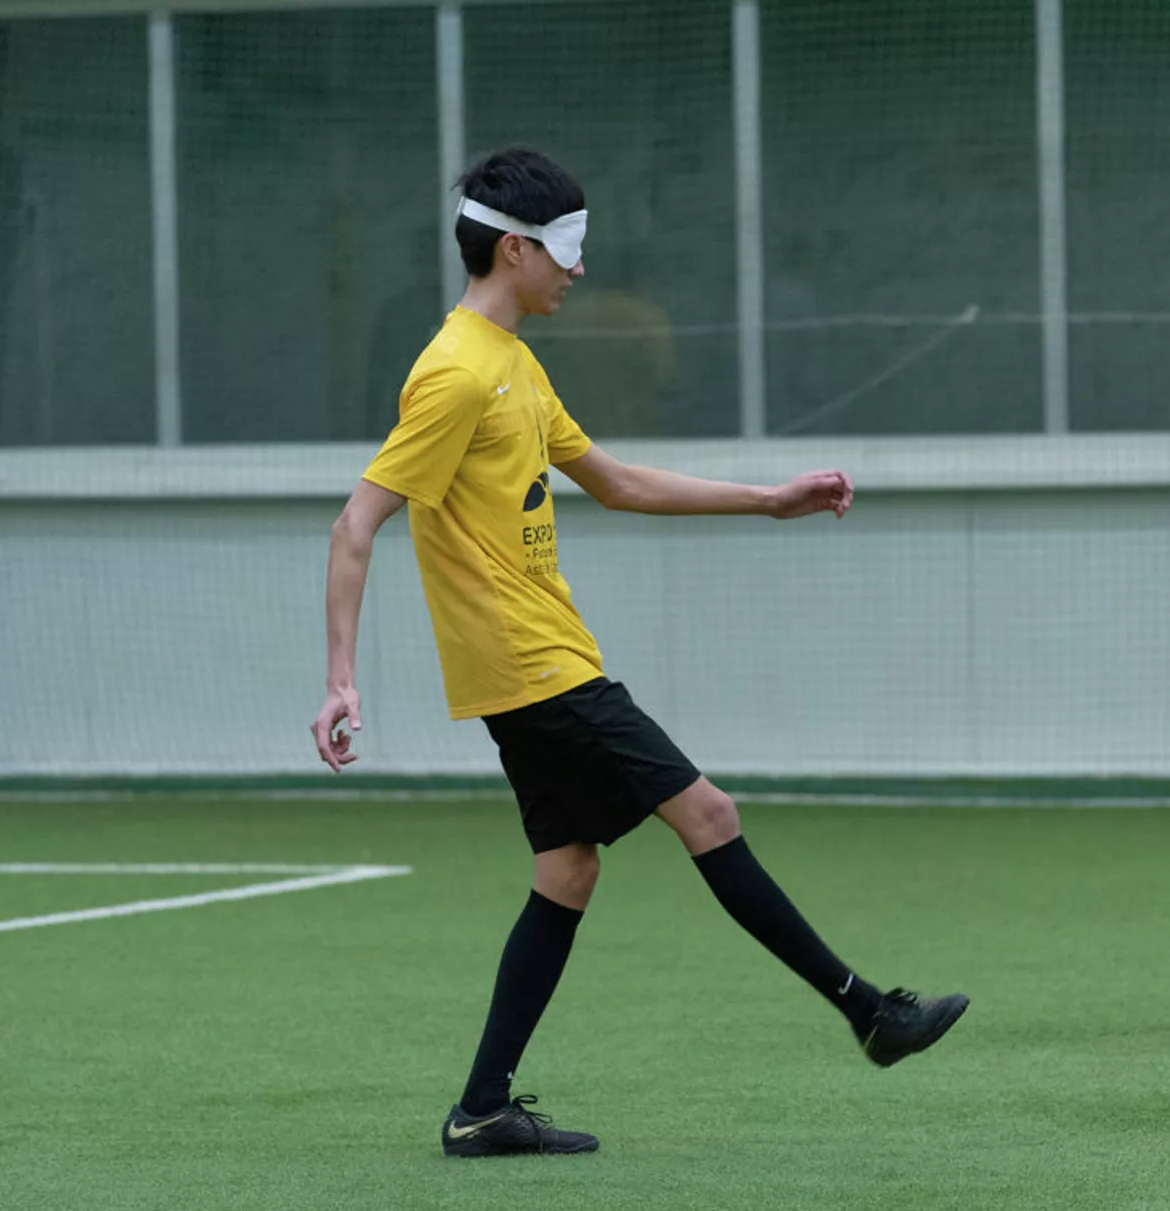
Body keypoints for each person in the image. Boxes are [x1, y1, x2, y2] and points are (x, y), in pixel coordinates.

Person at [310, 146, 967, 1159]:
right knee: (709, 813)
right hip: (535, 666)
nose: (579, 267)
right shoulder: (453, 373)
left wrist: (768, 500)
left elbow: (614, 482)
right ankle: (869, 1011)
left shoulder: (513, 361)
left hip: (538, 661)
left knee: (568, 868)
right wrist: (341, 678)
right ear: (515, 249)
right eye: (565, 248)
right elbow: (356, 522)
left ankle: (481, 1109)